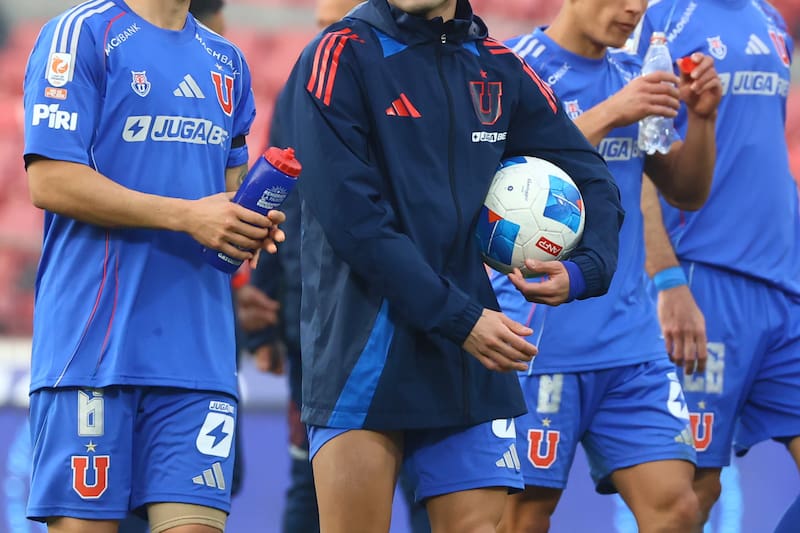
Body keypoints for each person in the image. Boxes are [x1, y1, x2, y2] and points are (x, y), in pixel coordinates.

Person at [274, 0, 625, 531]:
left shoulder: (497, 65)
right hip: (365, 345)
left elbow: (590, 176)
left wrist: (584, 271)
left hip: (467, 354)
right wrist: (460, 319)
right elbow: (353, 221)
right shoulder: (339, 54)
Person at [22, 1, 285, 532]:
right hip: (92, 353)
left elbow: (226, 194)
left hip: (199, 359)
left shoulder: (227, 61)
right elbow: (50, 181)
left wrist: (249, 223)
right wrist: (188, 216)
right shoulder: (81, 34)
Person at [492, 1, 723, 531]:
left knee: (679, 509)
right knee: (522, 518)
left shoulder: (632, 74)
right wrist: (611, 113)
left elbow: (685, 192)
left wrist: (703, 120)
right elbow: (503, 179)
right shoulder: (515, 67)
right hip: (537, 340)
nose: (634, 8)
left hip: (629, 341)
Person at [631, 1, 800, 530]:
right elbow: (633, 155)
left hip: (784, 285)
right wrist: (667, 279)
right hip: (705, 280)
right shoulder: (660, 17)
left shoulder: (771, 19)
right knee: (693, 492)